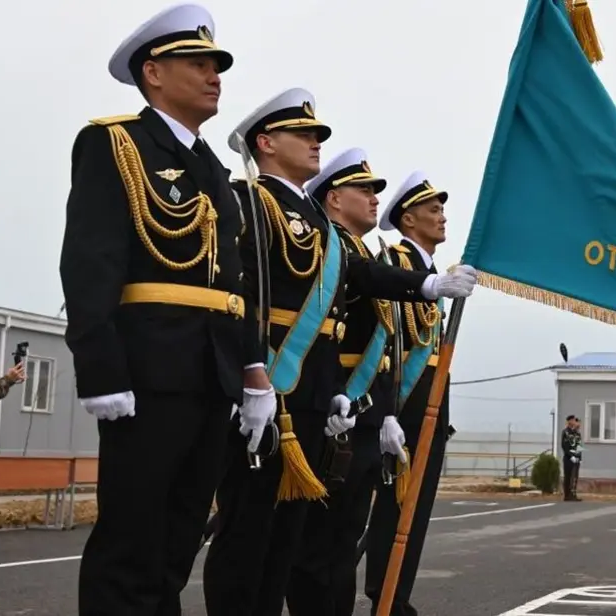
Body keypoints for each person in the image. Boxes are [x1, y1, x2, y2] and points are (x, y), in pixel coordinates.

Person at [202, 93, 476, 616]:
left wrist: (430, 283)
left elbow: (364, 277)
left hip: (313, 398)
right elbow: (237, 294)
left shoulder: (319, 226)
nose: (315, 143)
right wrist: (247, 371)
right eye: (304, 136)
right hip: (267, 390)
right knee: (248, 530)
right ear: (265, 143)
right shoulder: (249, 201)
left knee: (288, 538)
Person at [59, 4, 258, 615]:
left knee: (176, 545)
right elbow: (90, 263)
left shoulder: (216, 173)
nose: (213, 75)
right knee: (130, 545)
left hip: (211, 376)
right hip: (145, 375)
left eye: (217, 65)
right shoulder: (116, 143)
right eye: (197, 63)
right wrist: (101, 370)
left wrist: (253, 377)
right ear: (153, 72)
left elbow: (234, 286)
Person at [285, 148, 408, 616]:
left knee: (343, 540)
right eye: (365, 190)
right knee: (318, 543)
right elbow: (324, 338)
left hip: (364, 412)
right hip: (337, 409)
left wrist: (386, 411)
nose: (375, 199)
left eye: (377, 190)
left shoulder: (358, 250)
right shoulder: (332, 250)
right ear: (334, 199)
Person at [363, 170, 458, 616]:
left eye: (442, 210)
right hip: (403, 405)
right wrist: (387, 410)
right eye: (433, 210)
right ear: (408, 218)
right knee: (396, 510)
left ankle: (396, 596)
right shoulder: (399, 264)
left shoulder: (427, 269)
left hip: (428, 408)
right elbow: (385, 342)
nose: (442, 218)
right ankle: (387, 598)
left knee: (414, 512)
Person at [560, 415, 583, 501]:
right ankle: (567, 495)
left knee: (574, 477)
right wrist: (571, 456)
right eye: (573, 420)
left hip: (576, 458)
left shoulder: (576, 433)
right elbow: (565, 446)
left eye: (575, 420)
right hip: (568, 458)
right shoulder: (566, 432)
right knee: (568, 476)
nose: (575, 422)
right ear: (569, 421)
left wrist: (579, 458)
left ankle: (573, 494)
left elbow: (579, 447)